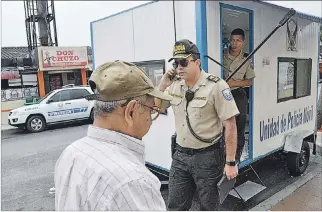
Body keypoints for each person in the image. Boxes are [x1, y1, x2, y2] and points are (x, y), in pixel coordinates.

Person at [54, 61, 172, 211]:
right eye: (151, 109)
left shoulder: (72, 153)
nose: (151, 119)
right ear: (131, 111)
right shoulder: (132, 181)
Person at [156, 39, 239, 211]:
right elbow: (159, 105)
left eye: (184, 62)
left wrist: (230, 162)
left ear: (197, 62)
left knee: (208, 206)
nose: (179, 67)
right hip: (180, 156)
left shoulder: (216, 86)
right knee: (175, 205)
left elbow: (230, 124)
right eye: (176, 63)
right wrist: (163, 84)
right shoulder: (175, 85)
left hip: (208, 157)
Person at [223, 28, 256, 162]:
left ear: (243, 42)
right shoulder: (221, 54)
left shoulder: (247, 59)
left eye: (238, 40)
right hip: (222, 94)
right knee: (222, 126)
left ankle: (235, 158)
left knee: (239, 126)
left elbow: (249, 81)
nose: (234, 43)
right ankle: (223, 155)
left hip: (238, 94)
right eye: (232, 40)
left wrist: (234, 83)